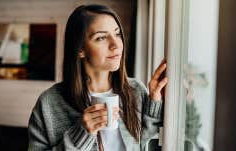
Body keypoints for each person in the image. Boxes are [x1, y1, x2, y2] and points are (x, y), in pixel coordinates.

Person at [28, 4, 168, 151]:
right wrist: (81, 135)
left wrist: (155, 101)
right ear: (80, 49)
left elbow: (144, 143)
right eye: (101, 37)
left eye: (117, 34)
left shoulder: (135, 90)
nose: (116, 45)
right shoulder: (49, 104)